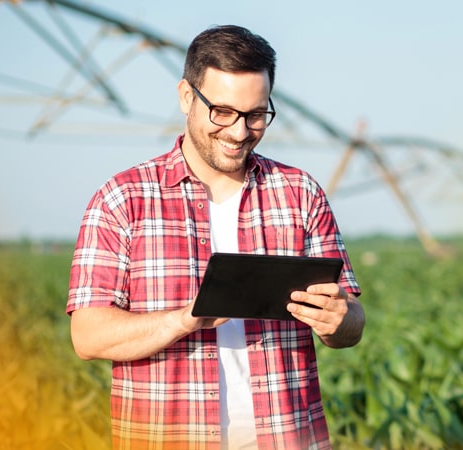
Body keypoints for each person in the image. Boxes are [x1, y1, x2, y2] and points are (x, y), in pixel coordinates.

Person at [66, 25, 364, 450]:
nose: (239, 132)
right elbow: (88, 337)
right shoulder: (122, 199)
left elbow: (351, 320)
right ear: (187, 96)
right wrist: (187, 318)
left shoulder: (300, 193)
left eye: (256, 115)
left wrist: (340, 320)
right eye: (222, 112)